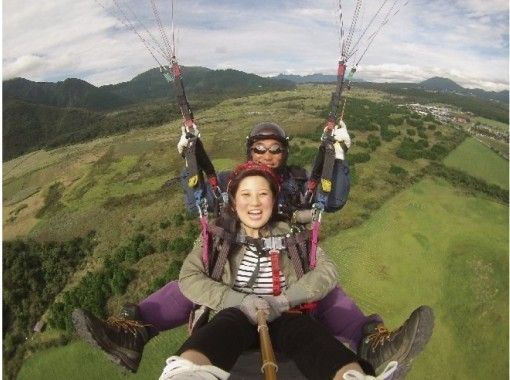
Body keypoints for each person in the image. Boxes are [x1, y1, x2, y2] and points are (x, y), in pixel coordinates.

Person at [73, 122, 433, 379]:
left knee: (325, 292)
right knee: (202, 278)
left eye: (275, 150)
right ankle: (134, 330)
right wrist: (190, 159)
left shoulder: (294, 188)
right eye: (260, 150)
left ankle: (372, 345)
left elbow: (329, 200)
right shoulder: (226, 205)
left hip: (290, 264)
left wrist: (337, 156)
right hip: (236, 260)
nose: (268, 156)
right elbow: (202, 198)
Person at [158, 161, 397, 380]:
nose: (254, 202)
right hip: (234, 312)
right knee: (226, 323)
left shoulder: (291, 233)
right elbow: (189, 277)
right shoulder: (216, 236)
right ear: (233, 201)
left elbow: (328, 270)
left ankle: (351, 376)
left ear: (273, 201)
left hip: (284, 314)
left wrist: (284, 301)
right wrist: (237, 300)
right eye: (246, 194)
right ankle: (188, 374)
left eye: (263, 194)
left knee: (304, 330)